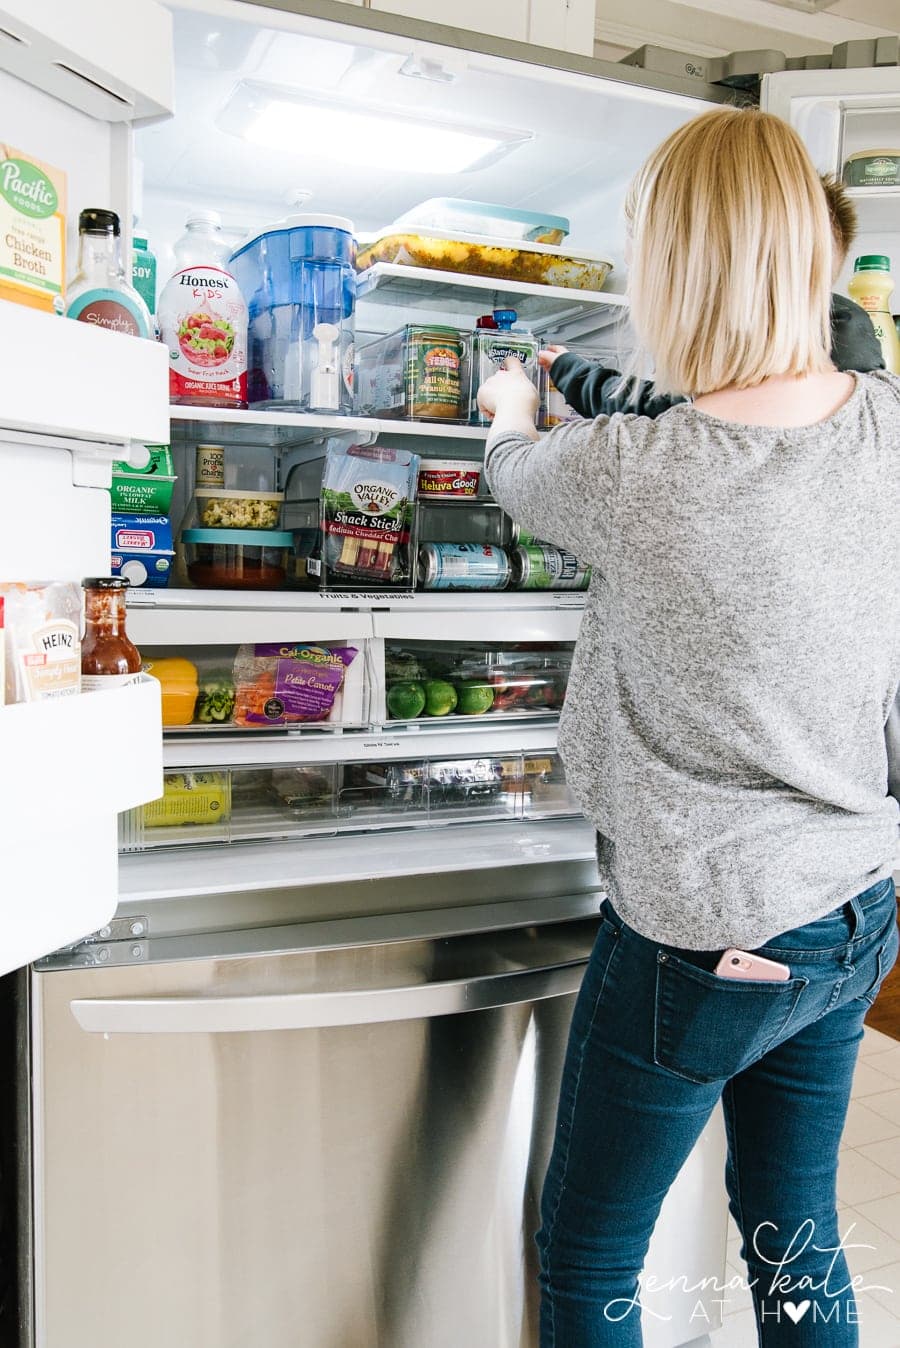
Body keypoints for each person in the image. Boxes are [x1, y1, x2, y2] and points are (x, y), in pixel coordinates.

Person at [477, 106, 900, 1347]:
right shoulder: (885, 423)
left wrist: (513, 390)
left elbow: (510, 468)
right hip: (853, 907)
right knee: (792, 1223)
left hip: (700, 938)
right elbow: (795, 389)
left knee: (593, 1246)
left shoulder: (629, 473)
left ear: (675, 264)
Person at [539, 174, 882, 420]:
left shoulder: (717, 425)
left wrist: (521, 406)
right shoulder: (872, 401)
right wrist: (571, 369)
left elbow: (651, 410)